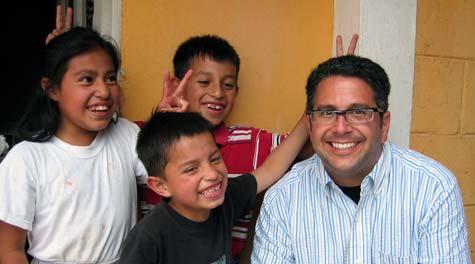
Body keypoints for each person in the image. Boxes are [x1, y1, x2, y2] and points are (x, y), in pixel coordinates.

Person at [150, 34, 358, 262]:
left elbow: (296, 151)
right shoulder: (141, 140)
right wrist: (162, 129)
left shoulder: (249, 141)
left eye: (227, 84)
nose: (218, 92)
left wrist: (328, 94)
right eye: (204, 82)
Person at [251, 55, 471, 263]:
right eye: (327, 113)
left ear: (383, 125)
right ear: (309, 125)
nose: (341, 128)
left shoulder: (433, 188)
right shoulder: (283, 200)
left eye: (358, 112)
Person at [0, 27, 147, 263]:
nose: (103, 91)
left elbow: (170, 173)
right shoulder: (26, 159)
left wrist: (171, 124)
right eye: (87, 79)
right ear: (52, 89)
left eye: (110, 78)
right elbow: (9, 250)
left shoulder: (127, 135)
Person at [118, 110, 308, 264]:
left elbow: (269, 171)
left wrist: (310, 116)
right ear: (161, 186)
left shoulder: (226, 199)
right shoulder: (148, 237)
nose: (212, 174)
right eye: (192, 169)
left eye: (215, 159)